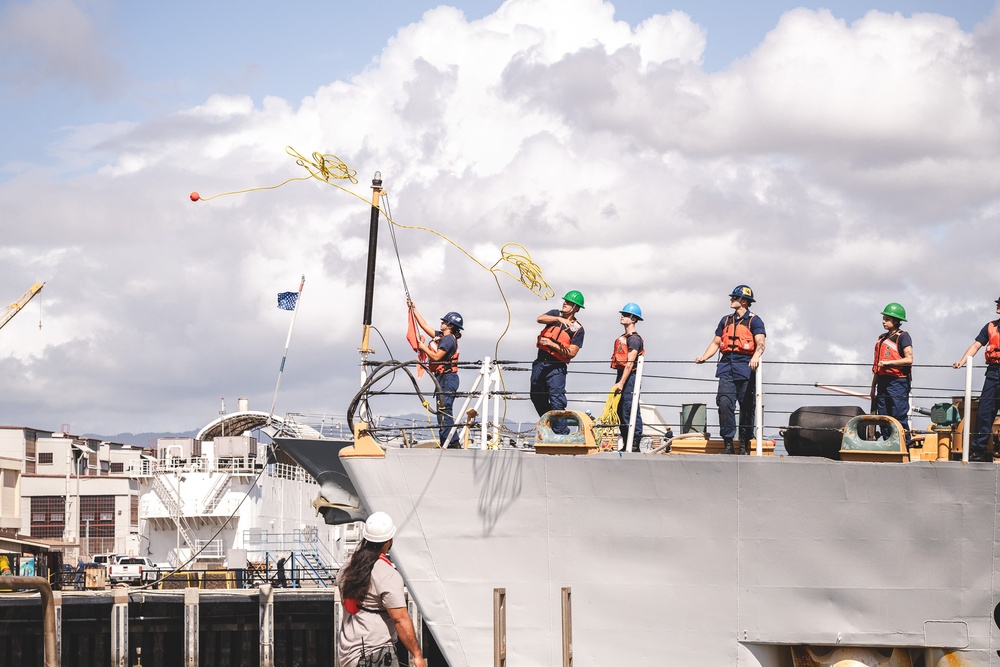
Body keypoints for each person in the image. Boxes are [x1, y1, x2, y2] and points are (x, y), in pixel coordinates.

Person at [337, 512, 426, 667]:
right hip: (376, 655)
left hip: (348, 656)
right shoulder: (387, 574)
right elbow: (400, 619)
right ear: (389, 541)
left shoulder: (346, 568)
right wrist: (417, 655)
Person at [695, 285, 766, 455]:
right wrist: (705, 357)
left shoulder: (755, 321)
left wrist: (756, 355)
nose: (731, 300)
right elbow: (716, 343)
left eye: (734, 298)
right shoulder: (725, 320)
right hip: (726, 366)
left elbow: (761, 342)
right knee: (725, 403)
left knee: (747, 407)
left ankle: (743, 445)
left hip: (746, 366)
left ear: (743, 301)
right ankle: (728, 444)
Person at [409, 301, 464, 448]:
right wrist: (414, 309)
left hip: (448, 378)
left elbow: (437, 357)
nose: (442, 323)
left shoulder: (448, 339)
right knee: (442, 410)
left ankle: (452, 442)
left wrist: (422, 347)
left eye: (445, 321)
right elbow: (425, 326)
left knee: (445, 409)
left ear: (451, 325)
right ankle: (446, 441)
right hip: (443, 378)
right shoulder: (442, 336)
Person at [531, 290, 586, 435]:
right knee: (536, 395)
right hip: (540, 362)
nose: (565, 304)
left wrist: (551, 344)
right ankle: (549, 423)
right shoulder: (555, 314)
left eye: (569, 303)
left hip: (556, 366)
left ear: (576, 308)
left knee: (557, 399)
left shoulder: (578, 330)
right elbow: (539, 319)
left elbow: (572, 352)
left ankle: (561, 433)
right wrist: (560, 319)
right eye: (565, 301)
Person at [952, 296, 1000, 462]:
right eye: (998, 303)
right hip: (994, 373)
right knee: (985, 411)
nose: (998, 306)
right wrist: (963, 361)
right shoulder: (990, 327)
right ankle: (978, 450)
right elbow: (976, 346)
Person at [872, 302, 913, 447]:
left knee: (898, 415)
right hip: (882, 381)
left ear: (896, 321)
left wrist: (889, 363)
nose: (884, 321)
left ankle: (904, 445)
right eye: (883, 318)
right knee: (883, 415)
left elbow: (909, 359)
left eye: (887, 318)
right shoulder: (882, 338)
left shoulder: (903, 337)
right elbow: (877, 366)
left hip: (898, 382)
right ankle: (887, 444)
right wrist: (873, 387)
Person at [612, 303, 645, 452]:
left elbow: (629, 363)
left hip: (630, 377)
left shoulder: (634, 339)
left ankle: (635, 442)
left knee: (629, 408)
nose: (622, 316)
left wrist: (621, 382)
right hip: (622, 375)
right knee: (620, 410)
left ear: (633, 319)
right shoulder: (623, 338)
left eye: (625, 315)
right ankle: (627, 441)